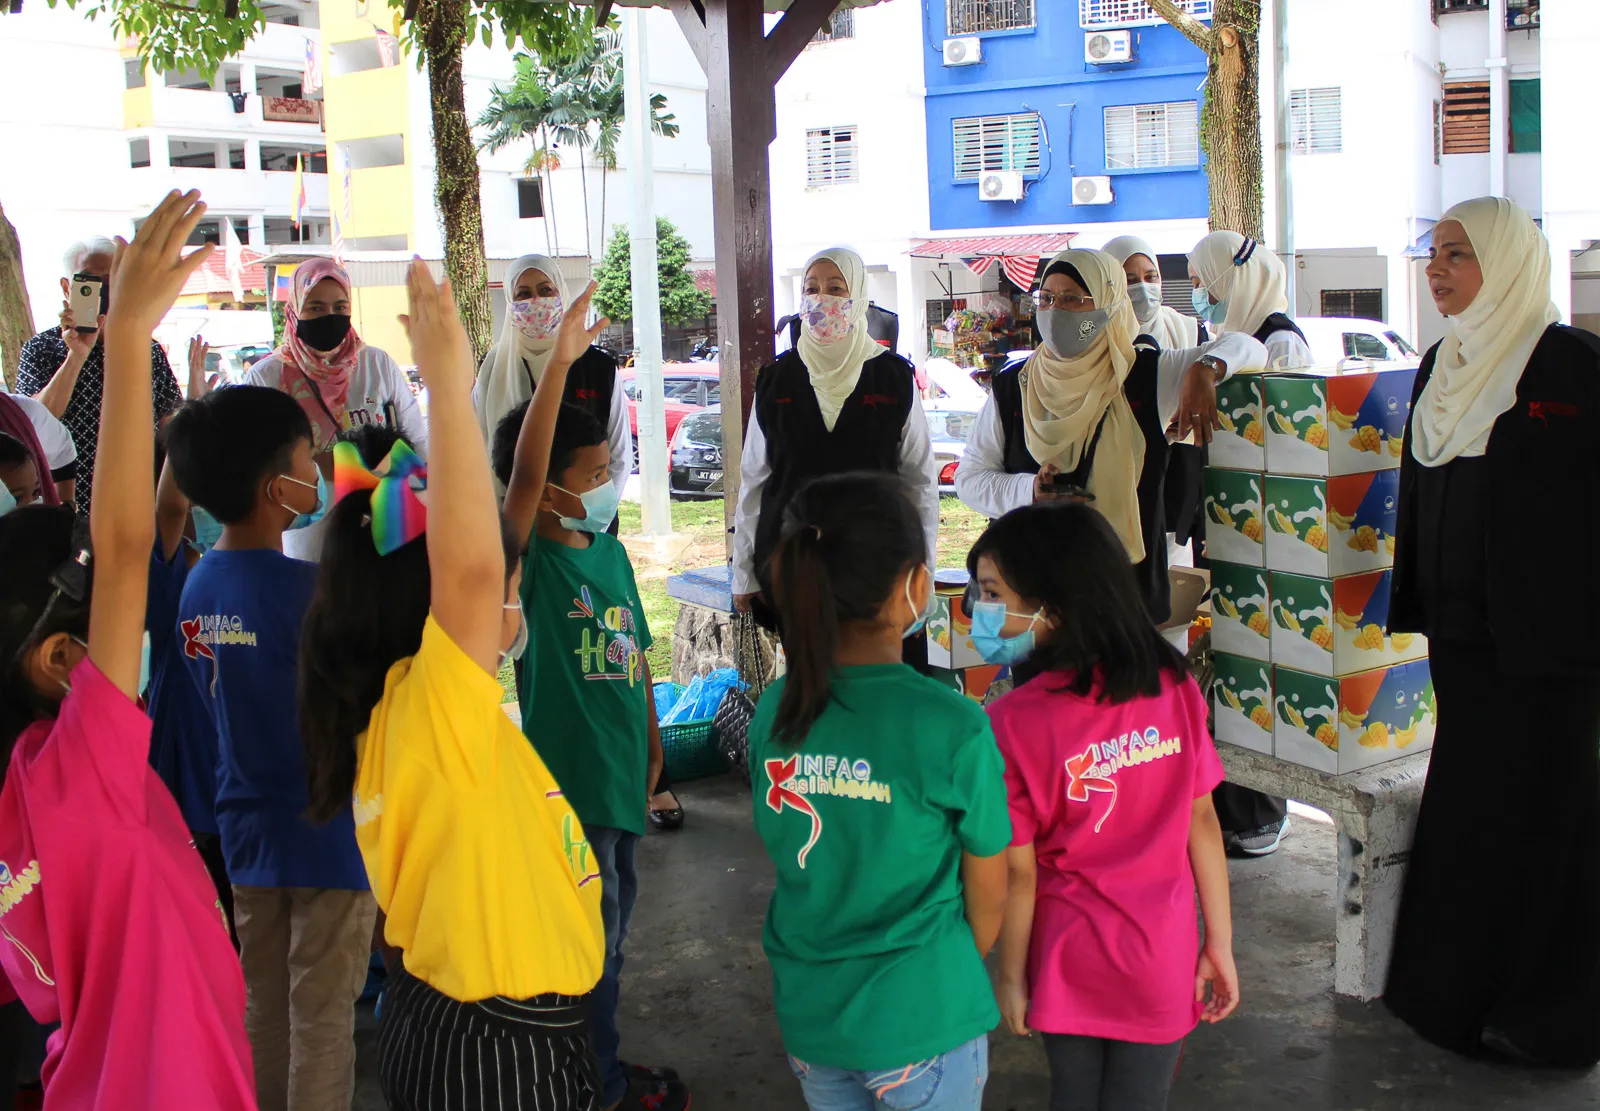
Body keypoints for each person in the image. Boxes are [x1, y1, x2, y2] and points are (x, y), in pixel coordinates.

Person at [297, 260, 608, 1110]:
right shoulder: (433, 705)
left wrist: (560, 368)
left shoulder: (408, 704)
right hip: (495, 1053)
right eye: (504, 592)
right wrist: (444, 378)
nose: (513, 601)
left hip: (488, 1025)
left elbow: (518, 497)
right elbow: (475, 571)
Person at [0, 190, 255, 1107]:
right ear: (59, 660)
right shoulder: (77, 771)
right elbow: (121, 544)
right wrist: (128, 329)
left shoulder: (18, 786)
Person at [1384, 196, 1600, 1067]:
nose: (1438, 270)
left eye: (1459, 255)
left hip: (1554, 649)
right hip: (1464, 643)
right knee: (1472, 808)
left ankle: (1550, 1013)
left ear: (1508, 263)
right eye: (1434, 253)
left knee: (1548, 818)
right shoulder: (1442, 363)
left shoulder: (1572, 365)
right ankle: (1452, 993)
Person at [749, 471, 1009, 1111]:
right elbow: (988, 897)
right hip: (924, 1015)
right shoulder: (953, 725)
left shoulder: (776, 710)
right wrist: (934, 971)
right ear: (914, 586)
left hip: (813, 1020)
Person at [975, 501, 1237, 1111]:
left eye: (991, 593)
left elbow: (1019, 873)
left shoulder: (1010, 723)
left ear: (1056, 606)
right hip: (1161, 955)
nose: (977, 612)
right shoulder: (1173, 685)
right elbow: (1203, 819)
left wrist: (1010, 977)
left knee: (1074, 1097)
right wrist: (1218, 942)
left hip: (1067, 961)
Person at [166, 381, 373, 1111]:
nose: (315, 469)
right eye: (303, 459)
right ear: (272, 488)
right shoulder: (311, 592)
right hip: (327, 838)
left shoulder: (197, 587)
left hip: (245, 835)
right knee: (321, 1018)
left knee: (265, 1007)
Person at [492, 342, 687, 1111]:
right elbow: (524, 479)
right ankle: (596, 1082)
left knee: (615, 930)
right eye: (594, 475)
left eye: (611, 469)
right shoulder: (531, 563)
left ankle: (592, 1062)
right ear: (544, 494)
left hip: (622, 776)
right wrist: (552, 386)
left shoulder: (609, 556)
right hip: (568, 786)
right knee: (589, 938)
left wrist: (654, 746)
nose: (608, 485)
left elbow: (636, 656)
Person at [954, 248, 1267, 623]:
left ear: (1108, 305)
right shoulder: (1014, 384)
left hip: (1123, 602)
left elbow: (1251, 347)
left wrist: (1206, 369)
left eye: (1073, 299)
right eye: (1047, 298)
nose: (1056, 312)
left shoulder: (1146, 376)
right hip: (1033, 604)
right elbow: (970, 479)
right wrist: (1028, 493)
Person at [732, 248, 938, 627]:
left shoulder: (894, 378)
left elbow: (921, 483)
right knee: (805, 678)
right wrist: (743, 572)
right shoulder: (776, 379)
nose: (821, 300)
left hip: (875, 569)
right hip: (791, 569)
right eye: (811, 288)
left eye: (835, 289)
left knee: (867, 674)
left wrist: (924, 570)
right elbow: (755, 482)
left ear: (858, 298)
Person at [1187, 232, 1307, 857]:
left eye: (1207, 283)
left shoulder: (1279, 338)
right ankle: (1236, 809)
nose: (1202, 296)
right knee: (1224, 671)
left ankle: (1260, 814)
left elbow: (1284, 445)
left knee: (1257, 672)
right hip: (1233, 526)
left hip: (1268, 534)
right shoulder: (1226, 339)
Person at [245, 257, 426, 561]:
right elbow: (254, 462)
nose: (330, 317)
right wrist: (340, 463)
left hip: (383, 528)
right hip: (306, 539)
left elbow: (417, 441)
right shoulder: (265, 377)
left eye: (340, 308)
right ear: (294, 309)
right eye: (315, 307)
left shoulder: (376, 364)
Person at [15, 235, 184, 512]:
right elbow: (35, 425)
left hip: (139, 504)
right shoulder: (41, 349)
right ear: (67, 287)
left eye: (111, 281)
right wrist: (76, 355)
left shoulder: (146, 349)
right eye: (90, 283)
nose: (104, 292)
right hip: (68, 506)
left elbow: (169, 431)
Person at [474, 253, 632, 496]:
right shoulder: (492, 368)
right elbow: (477, 446)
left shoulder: (598, 367)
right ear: (510, 302)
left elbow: (619, 455)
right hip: (513, 515)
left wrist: (596, 522)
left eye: (546, 290)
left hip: (587, 515)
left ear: (561, 294)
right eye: (524, 294)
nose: (536, 301)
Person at [1102, 234, 1209, 569]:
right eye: (1129, 280)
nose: (1143, 289)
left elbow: (1239, 348)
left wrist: (1203, 372)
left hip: (1175, 481)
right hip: (1115, 481)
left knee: (1173, 589)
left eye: (1151, 277)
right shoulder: (1092, 334)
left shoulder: (1188, 330)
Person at [1187, 231, 1312, 369]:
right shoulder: (1236, 334)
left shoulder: (1281, 342)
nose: (1196, 292)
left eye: (1198, 282)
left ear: (1225, 279)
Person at [0, 393, 76, 508]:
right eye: (17, 498)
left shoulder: (20, 411)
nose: (32, 505)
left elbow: (62, 452)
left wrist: (66, 512)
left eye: (37, 492)